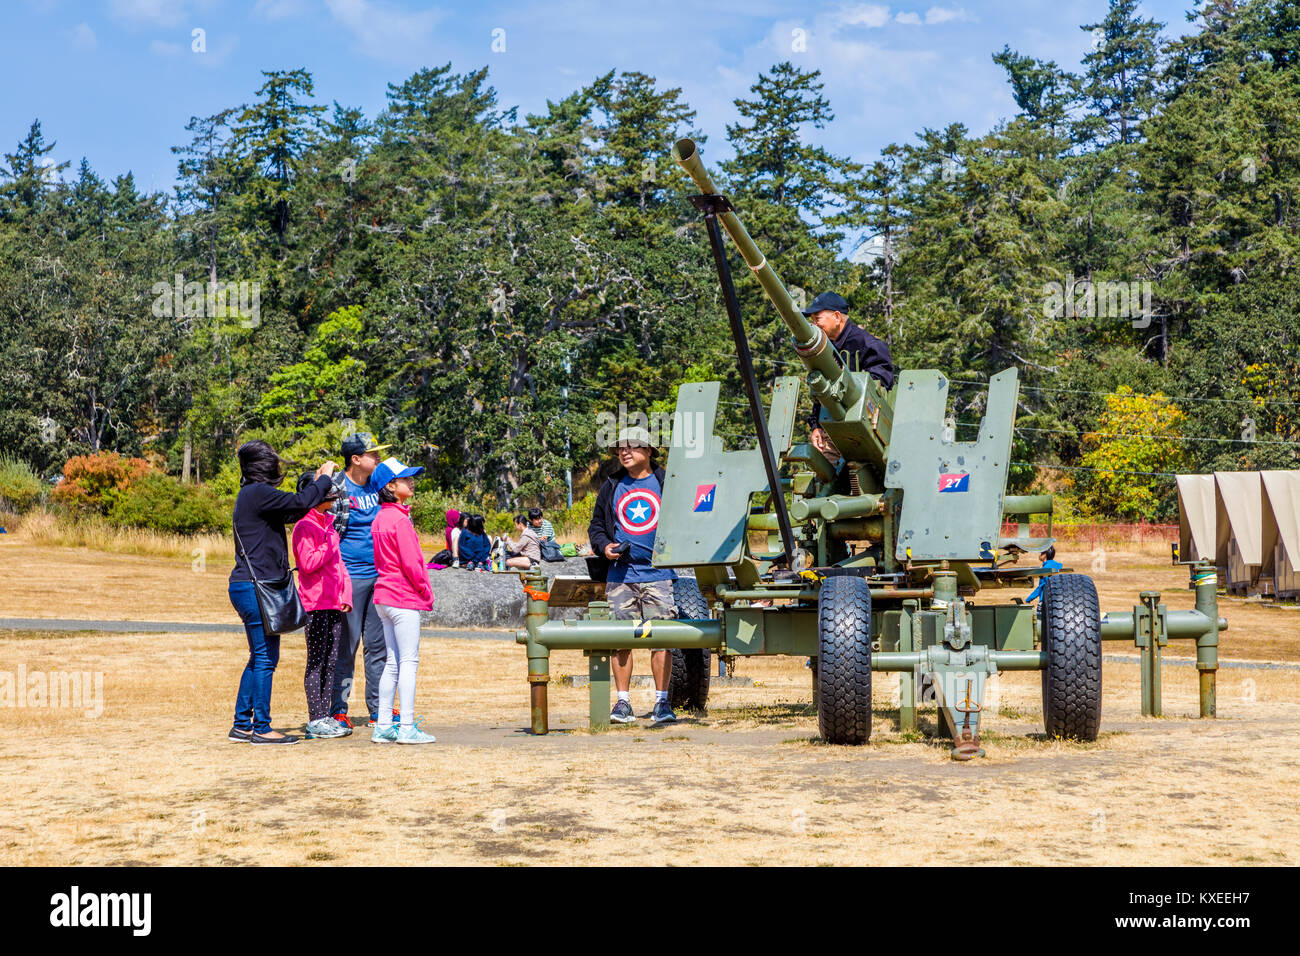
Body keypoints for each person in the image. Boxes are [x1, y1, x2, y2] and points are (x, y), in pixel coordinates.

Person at [228, 440, 337, 745]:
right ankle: (261, 727)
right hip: (256, 587)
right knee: (265, 658)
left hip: (248, 585)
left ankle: (242, 724)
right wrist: (323, 479)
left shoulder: (251, 495)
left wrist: (315, 489)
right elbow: (301, 504)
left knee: (259, 656)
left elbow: (293, 509)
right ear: (266, 465)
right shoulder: (258, 493)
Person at [587, 427, 678, 725]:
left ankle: (662, 704)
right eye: (620, 448)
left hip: (658, 574)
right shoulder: (611, 486)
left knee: (661, 638)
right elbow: (596, 527)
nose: (624, 452)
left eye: (633, 446)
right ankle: (622, 703)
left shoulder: (668, 483)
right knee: (620, 639)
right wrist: (605, 547)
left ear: (649, 451)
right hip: (620, 576)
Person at [329, 431, 395, 730]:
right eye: (373, 454)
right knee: (346, 646)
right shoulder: (337, 488)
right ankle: (338, 710)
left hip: (379, 575)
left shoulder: (378, 485)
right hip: (349, 577)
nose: (378, 457)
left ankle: (378, 709)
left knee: (378, 647)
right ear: (355, 459)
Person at [369, 456, 437, 744]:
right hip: (403, 596)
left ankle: (384, 725)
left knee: (393, 663)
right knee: (408, 661)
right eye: (404, 479)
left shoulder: (381, 517)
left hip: (384, 596)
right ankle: (406, 726)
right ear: (390, 486)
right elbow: (412, 563)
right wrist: (425, 591)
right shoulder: (399, 519)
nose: (411, 481)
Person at [292, 473, 354, 739]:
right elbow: (307, 563)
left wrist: (346, 594)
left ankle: (326, 715)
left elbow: (339, 565)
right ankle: (315, 718)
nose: (333, 497)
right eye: (327, 492)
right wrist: (330, 542)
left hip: (333, 603)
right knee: (316, 661)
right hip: (314, 604)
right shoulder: (304, 527)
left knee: (331, 661)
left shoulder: (329, 524)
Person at [802, 292, 895, 464]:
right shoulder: (824, 350)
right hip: (831, 434)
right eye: (812, 320)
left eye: (817, 319)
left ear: (837, 317)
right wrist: (816, 427)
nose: (814, 325)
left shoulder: (870, 346)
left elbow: (880, 386)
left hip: (868, 435)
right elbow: (820, 392)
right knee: (823, 483)